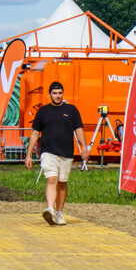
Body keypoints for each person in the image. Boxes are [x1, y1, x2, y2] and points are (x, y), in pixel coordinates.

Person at [26, 81, 85, 225]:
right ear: (50, 95)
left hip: (66, 153)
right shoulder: (43, 111)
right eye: (55, 93)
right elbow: (35, 133)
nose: (57, 96)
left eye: (60, 93)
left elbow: (79, 130)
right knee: (52, 179)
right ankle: (50, 209)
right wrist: (28, 154)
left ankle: (59, 212)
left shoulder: (71, 110)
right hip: (48, 152)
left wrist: (84, 147)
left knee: (62, 183)